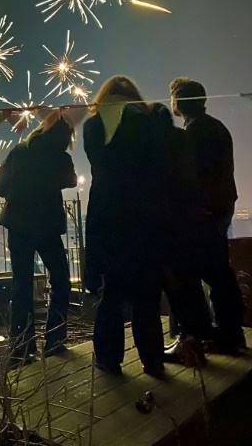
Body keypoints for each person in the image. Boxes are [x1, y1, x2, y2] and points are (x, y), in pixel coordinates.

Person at [84, 76, 168, 377]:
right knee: (147, 294)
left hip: (107, 212)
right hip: (145, 214)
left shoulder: (92, 126)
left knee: (112, 293)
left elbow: (97, 161)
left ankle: (108, 358)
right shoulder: (148, 123)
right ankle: (153, 359)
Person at [170, 77, 246, 352]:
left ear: (178, 102)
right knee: (219, 273)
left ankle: (200, 335)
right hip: (219, 210)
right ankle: (230, 332)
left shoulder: (193, 132)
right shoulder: (217, 127)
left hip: (202, 213)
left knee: (193, 274)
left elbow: (190, 177)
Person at [0, 116, 77, 360]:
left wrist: (17, 194)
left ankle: (21, 346)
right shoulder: (60, 156)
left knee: (22, 283)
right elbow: (70, 180)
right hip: (47, 225)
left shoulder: (19, 150)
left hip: (17, 223)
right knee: (60, 279)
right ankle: (54, 340)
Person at [151, 104, 212, 363]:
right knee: (190, 285)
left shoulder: (157, 149)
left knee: (175, 287)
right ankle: (196, 339)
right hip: (189, 223)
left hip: (169, 226)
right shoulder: (183, 142)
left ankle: (185, 342)